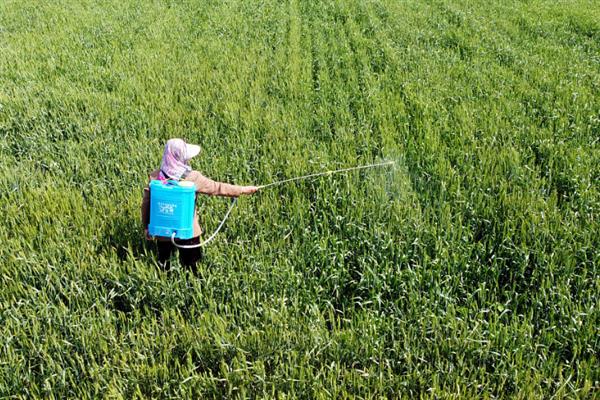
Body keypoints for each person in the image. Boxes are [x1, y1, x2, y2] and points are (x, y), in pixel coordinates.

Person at [141, 138, 258, 271]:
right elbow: (217, 187)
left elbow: (146, 204)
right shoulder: (192, 178)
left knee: (164, 264)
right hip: (188, 232)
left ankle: (166, 283)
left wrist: (146, 227)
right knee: (192, 266)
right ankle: (193, 286)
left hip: (163, 232)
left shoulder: (155, 178)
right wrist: (242, 190)